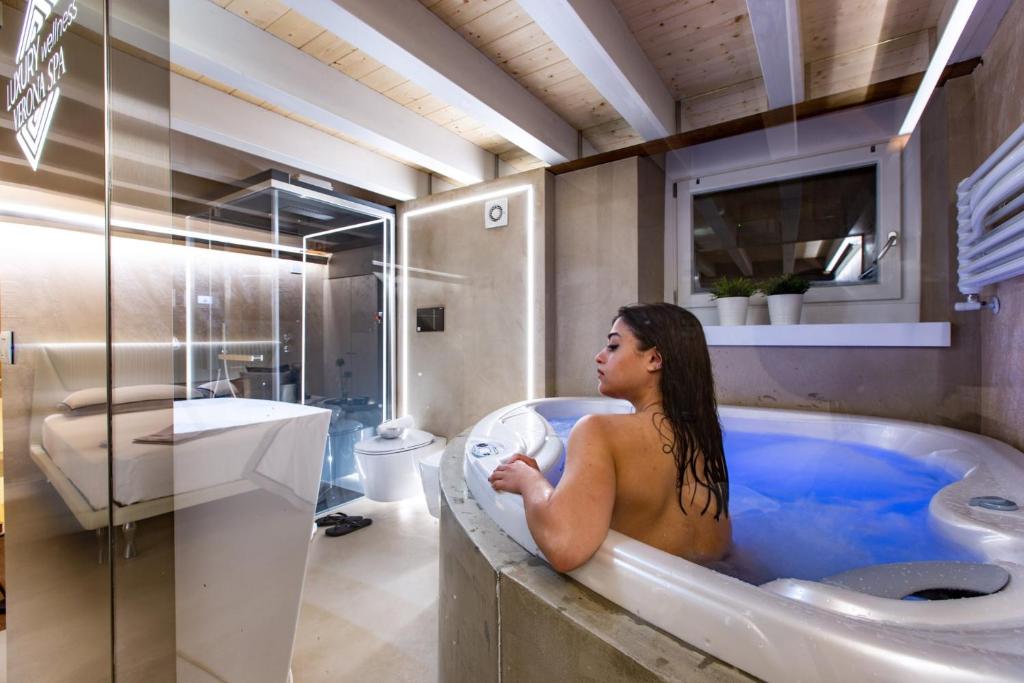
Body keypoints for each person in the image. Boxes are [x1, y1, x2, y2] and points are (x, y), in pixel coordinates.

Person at [489, 303, 731, 572]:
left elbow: (564, 547)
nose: (599, 357)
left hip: (639, 600)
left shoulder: (599, 431)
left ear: (654, 359)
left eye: (613, 346)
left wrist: (529, 480)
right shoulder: (701, 439)